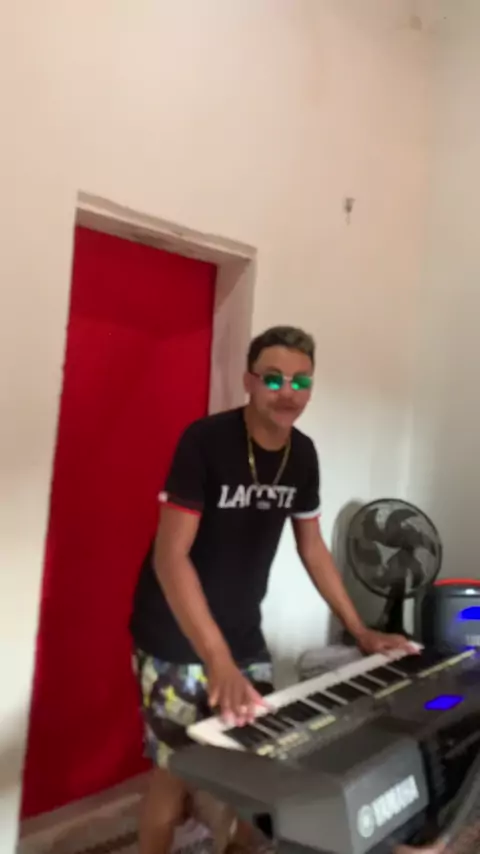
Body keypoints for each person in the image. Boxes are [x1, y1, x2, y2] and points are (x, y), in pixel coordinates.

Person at [129, 325, 414, 854]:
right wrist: (216, 660)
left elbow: (313, 547)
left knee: (251, 766)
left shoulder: (302, 455)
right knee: (175, 772)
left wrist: (360, 631)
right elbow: (170, 558)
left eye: (301, 381)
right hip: (175, 635)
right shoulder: (205, 441)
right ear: (249, 381)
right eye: (274, 378)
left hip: (242, 634)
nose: (288, 393)